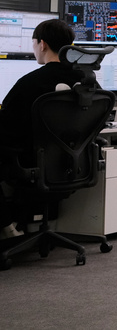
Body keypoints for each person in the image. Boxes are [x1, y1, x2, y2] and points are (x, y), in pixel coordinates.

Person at [0, 19, 83, 239]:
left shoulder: (30, 83)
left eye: (33, 43)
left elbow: (5, 126)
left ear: (42, 44)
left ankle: (7, 228)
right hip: (71, 164)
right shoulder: (85, 81)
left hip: (31, 163)